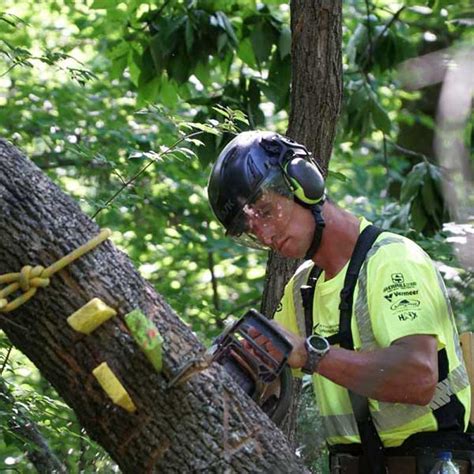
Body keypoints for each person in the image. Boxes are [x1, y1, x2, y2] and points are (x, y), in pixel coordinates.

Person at [207, 130, 472, 474]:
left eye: (267, 212)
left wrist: (311, 354)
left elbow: (419, 378)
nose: (267, 236)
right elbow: (264, 370)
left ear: (304, 181)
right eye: (252, 231)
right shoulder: (303, 288)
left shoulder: (392, 260)